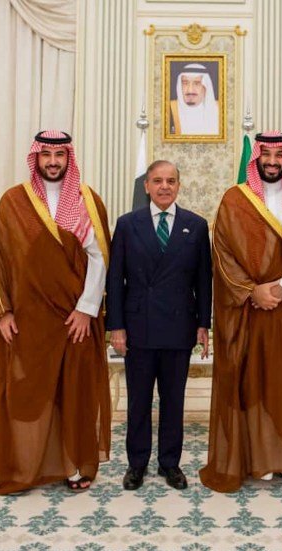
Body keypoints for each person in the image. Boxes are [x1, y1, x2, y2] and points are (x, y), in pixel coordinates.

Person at [200, 131, 282, 493]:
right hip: (250, 311)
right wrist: (252, 291)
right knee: (251, 383)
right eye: (266, 155)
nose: (272, 161)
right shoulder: (235, 199)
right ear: (255, 158)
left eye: (279, 155)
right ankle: (254, 459)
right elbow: (223, 252)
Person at [0, 130, 111, 495]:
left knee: (75, 392)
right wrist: (2, 311)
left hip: (75, 321)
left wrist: (87, 309)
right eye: (46, 155)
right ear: (36, 158)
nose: (53, 162)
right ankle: (27, 464)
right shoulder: (14, 202)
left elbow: (100, 258)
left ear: (69, 159)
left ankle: (73, 464)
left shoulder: (88, 201)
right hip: (29, 320)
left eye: (60, 156)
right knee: (28, 393)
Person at [106, 160, 212, 491]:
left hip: (179, 328)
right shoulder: (127, 224)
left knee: (172, 400)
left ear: (179, 186)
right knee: (138, 401)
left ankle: (170, 463)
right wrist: (117, 326)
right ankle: (136, 464)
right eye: (157, 181)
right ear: (146, 186)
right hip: (138, 328)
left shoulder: (196, 226)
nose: (164, 186)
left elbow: (203, 281)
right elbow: (116, 278)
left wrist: (203, 325)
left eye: (171, 181)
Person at [169, 63, 219, 135]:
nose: (190, 90)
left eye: (197, 83)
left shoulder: (221, 110)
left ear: (206, 86)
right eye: (185, 83)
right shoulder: (169, 110)